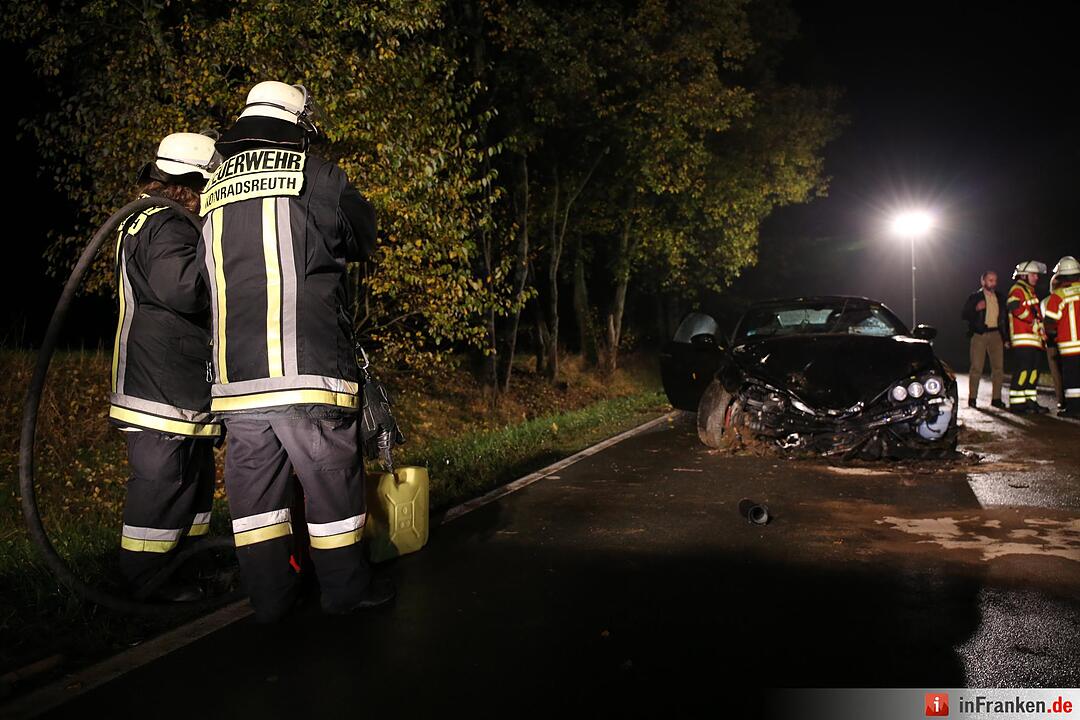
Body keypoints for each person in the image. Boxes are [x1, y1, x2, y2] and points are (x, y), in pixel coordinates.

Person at [196, 81, 391, 621]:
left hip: (237, 382)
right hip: (307, 373)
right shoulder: (318, 175)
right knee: (331, 490)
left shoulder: (213, 187)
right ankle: (347, 593)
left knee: (257, 505)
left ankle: (270, 601)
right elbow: (362, 237)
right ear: (297, 124)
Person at [110, 133, 222, 600]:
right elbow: (183, 290)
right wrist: (223, 265)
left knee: (191, 481)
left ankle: (183, 571)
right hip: (161, 385)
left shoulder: (147, 219)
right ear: (192, 181)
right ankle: (144, 582)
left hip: (171, 380)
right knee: (163, 483)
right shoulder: (169, 225)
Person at [1005, 260, 1048, 413]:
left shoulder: (1030, 291)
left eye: (1037, 275)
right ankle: (1017, 404)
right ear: (1023, 275)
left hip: (1034, 340)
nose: (1036, 277)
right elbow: (1015, 308)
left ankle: (1030, 402)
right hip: (1023, 338)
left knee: (1033, 372)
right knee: (1024, 370)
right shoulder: (1017, 290)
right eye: (1033, 274)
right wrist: (1032, 320)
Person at [961, 270, 1007, 408]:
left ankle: (996, 399)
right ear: (983, 281)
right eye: (990, 280)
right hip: (979, 335)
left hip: (996, 335)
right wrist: (975, 308)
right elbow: (964, 314)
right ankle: (972, 398)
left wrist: (1006, 337)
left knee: (998, 368)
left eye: (995, 280)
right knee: (976, 368)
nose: (993, 283)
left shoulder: (1000, 297)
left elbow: (1005, 318)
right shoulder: (975, 297)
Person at [1043, 256, 1080, 417]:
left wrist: (1052, 336)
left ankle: (1073, 409)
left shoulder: (1058, 296)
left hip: (1069, 346)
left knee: (1072, 380)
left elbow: (1050, 323)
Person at [1042, 272, 1065, 410]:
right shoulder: (1059, 298)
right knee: (1065, 372)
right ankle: (1065, 400)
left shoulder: (1045, 301)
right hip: (1063, 340)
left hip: (1052, 341)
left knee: (1057, 373)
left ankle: (1062, 400)